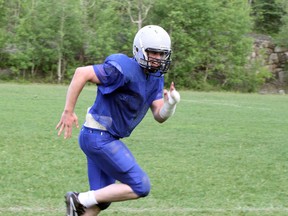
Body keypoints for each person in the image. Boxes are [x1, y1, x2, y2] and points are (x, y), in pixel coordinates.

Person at [56, 25, 180, 216]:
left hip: (101, 137)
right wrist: (68, 111)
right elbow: (82, 73)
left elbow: (158, 115)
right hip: (98, 136)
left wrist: (170, 104)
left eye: (161, 54)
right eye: (152, 52)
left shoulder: (155, 77)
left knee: (101, 200)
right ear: (139, 50)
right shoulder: (122, 69)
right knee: (140, 185)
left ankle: (80, 204)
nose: (158, 58)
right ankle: (78, 199)